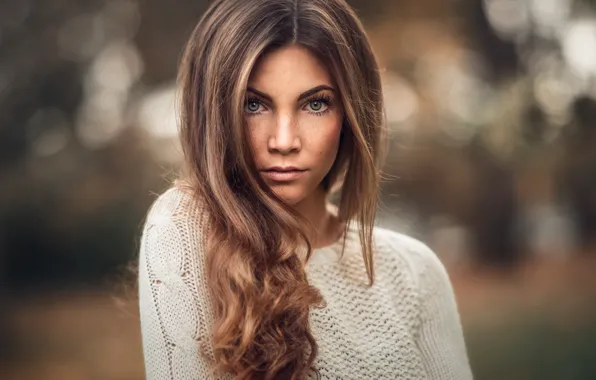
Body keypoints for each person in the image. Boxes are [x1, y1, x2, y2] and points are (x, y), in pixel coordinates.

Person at [137, 0, 474, 379]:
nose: (283, 141)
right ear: (216, 113)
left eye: (315, 104)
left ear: (349, 114)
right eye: (253, 104)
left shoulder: (415, 272)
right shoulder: (184, 230)